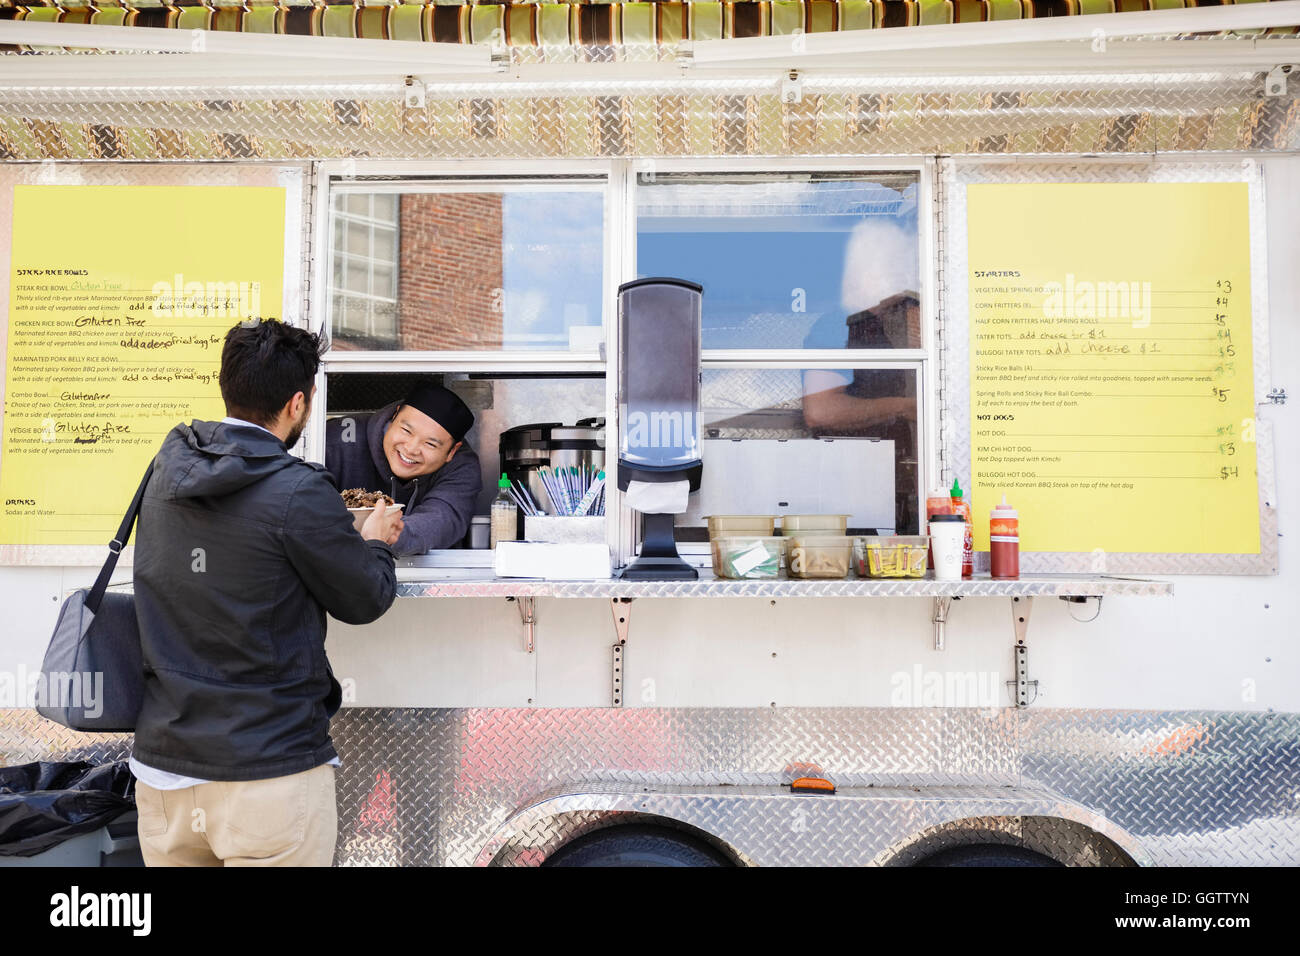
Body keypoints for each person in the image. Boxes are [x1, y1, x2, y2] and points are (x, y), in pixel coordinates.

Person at [130, 318, 404, 867]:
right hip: (269, 772)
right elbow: (364, 599)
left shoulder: (165, 471)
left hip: (163, 774)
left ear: (227, 388)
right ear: (298, 403)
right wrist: (375, 544)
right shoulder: (299, 489)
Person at [324, 380, 482, 555]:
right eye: (406, 431)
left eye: (430, 444)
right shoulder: (337, 440)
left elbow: (442, 520)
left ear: (452, 451)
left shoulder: (461, 465)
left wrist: (387, 534)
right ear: (395, 415)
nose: (411, 449)